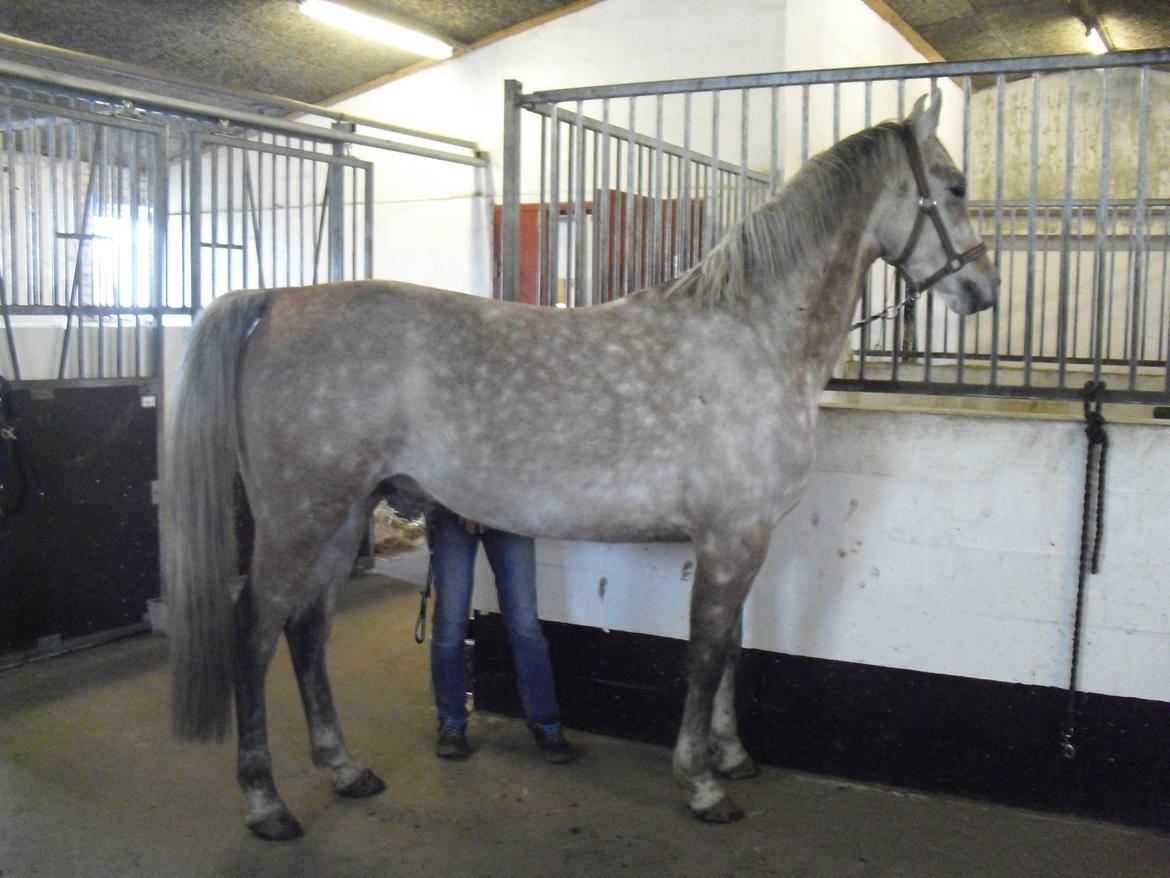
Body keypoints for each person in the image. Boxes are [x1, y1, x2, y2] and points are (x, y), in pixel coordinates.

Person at [426, 505, 575, 764]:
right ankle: (451, 721)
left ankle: (545, 722)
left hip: (507, 507)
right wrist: (465, 500)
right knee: (450, 624)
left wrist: (482, 503)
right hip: (452, 504)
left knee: (524, 625)